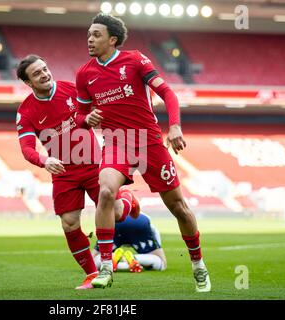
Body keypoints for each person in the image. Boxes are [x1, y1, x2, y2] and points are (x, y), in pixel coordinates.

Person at [75, 13, 210, 292]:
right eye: (88, 34)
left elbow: (168, 93)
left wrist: (174, 127)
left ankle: (198, 265)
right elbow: (79, 113)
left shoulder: (135, 59)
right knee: (106, 192)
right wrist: (86, 119)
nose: (90, 39)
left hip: (149, 142)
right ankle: (105, 267)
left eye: (96, 34)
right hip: (116, 142)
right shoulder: (84, 74)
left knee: (179, 209)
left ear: (112, 40)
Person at [15, 54, 140, 290]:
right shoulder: (26, 112)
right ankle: (93, 274)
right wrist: (44, 160)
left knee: (117, 214)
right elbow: (27, 149)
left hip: (93, 163)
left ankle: (127, 199)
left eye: (45, 68)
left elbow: (100, 108)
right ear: (28, 83)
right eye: (37, 73)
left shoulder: (71, 89)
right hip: (63, 172)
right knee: (69, 224)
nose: (45, 74)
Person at [92, 212, 167, 273]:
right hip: (140, 222)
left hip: (114, 221)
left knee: (93, 263)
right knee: (162, 264)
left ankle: (112, 258)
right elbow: (155, 232)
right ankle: (135, 259)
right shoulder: (142, 214)